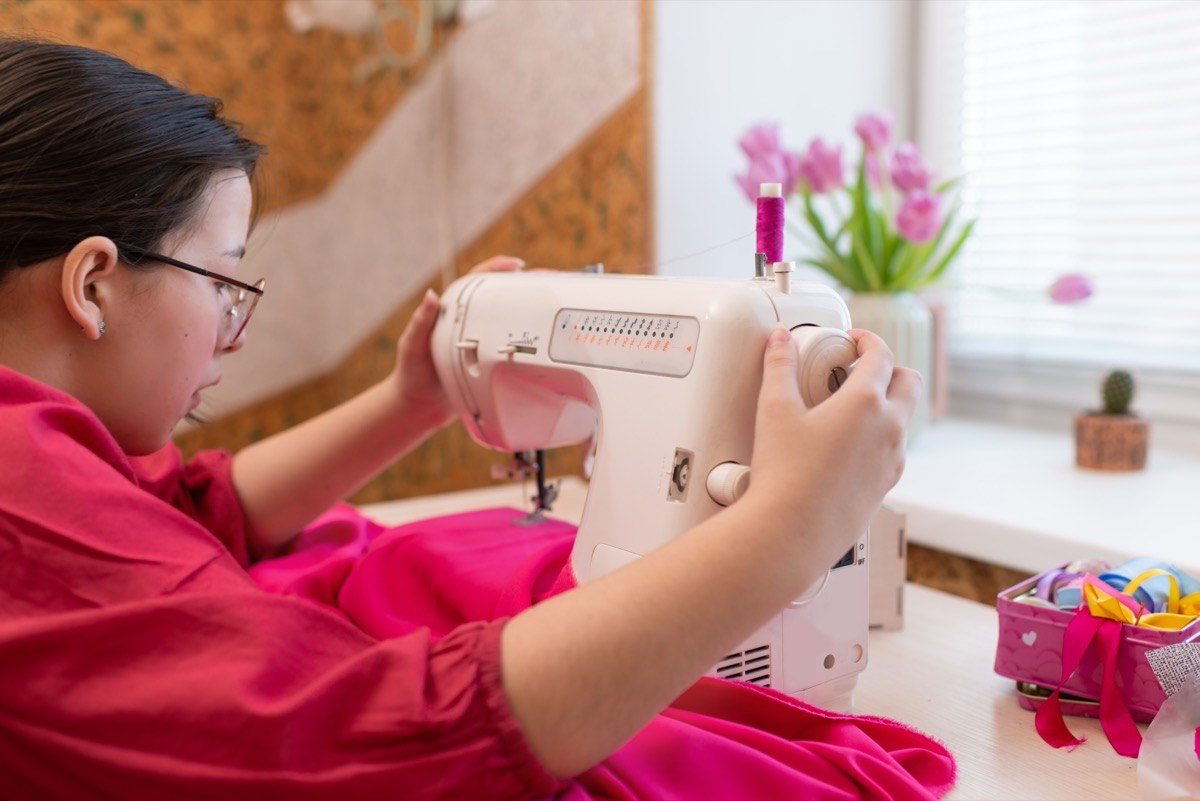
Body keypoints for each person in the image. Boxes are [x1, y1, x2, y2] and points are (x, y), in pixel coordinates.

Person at [0, 36, 952, 801]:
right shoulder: (19, 490)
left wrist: (412, 401)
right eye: (224, 281)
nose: (233, 336)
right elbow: (398, 737)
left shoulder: (42, 456)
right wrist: (793, 527)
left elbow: (187, 510)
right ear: (92, 284)